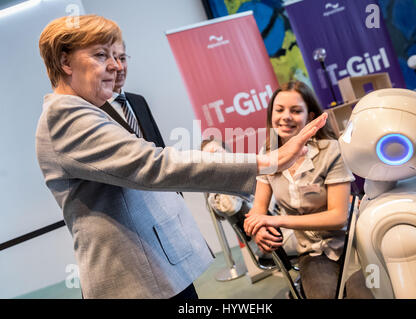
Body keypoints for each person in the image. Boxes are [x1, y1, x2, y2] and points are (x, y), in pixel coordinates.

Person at [36, 15, 327, 299]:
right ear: (64, 62)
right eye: (101, 55)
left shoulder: (88, 111)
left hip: (152, 269)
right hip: (135, 279)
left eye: (117, 56)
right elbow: (153, 164)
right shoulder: (66, 116)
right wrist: (267, 161)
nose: (115, 66)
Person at [243, 81, 373, 299]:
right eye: (280, 110)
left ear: (310, 116)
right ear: (271, 115)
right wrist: (259, 229)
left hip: (352, 242)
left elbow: (338, 217)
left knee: (362, 294)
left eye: (295, 111)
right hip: (312, 251)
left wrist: (276, 221)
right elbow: (257, 210)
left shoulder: (331, 150)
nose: (286, 116)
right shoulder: (268, 156)